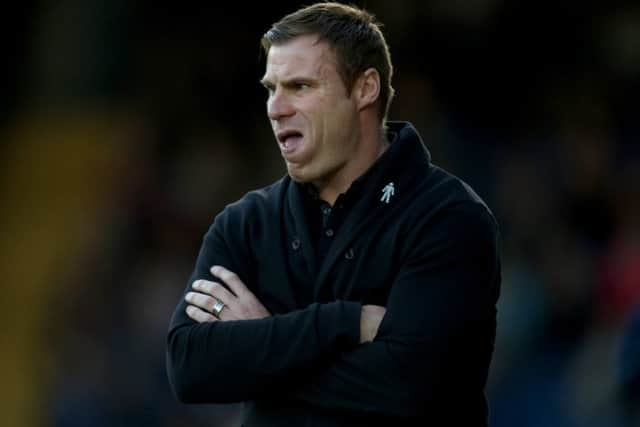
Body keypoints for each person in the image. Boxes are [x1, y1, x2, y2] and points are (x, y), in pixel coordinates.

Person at [166, 2, 501, 426]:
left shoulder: (448, 218)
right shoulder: (245, 223)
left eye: (300, 86)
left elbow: (410, 392)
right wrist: (344, 321)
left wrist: (262, 345)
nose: (275, 107)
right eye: (271, 88)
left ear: (365, 89)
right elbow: (189, 368)